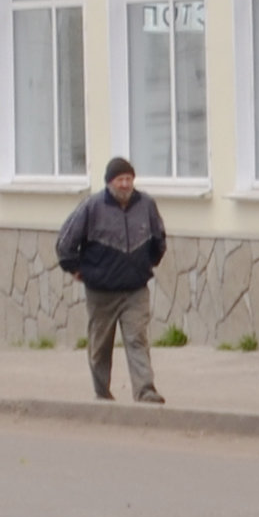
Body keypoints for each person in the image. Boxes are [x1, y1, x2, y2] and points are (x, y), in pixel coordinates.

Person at [55, 157, 170, 404]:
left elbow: (159, 239)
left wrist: (146, 264)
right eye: (121, 180)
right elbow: (65, 242)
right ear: (110, 182)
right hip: (101, 292)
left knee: (137, 339)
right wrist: (75, 269)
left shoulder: (146, 205)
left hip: (135, 290)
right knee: (100, 346)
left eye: (129, 179)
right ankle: (102, 392)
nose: (126, 184)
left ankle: (145, 391)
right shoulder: (92, 207)